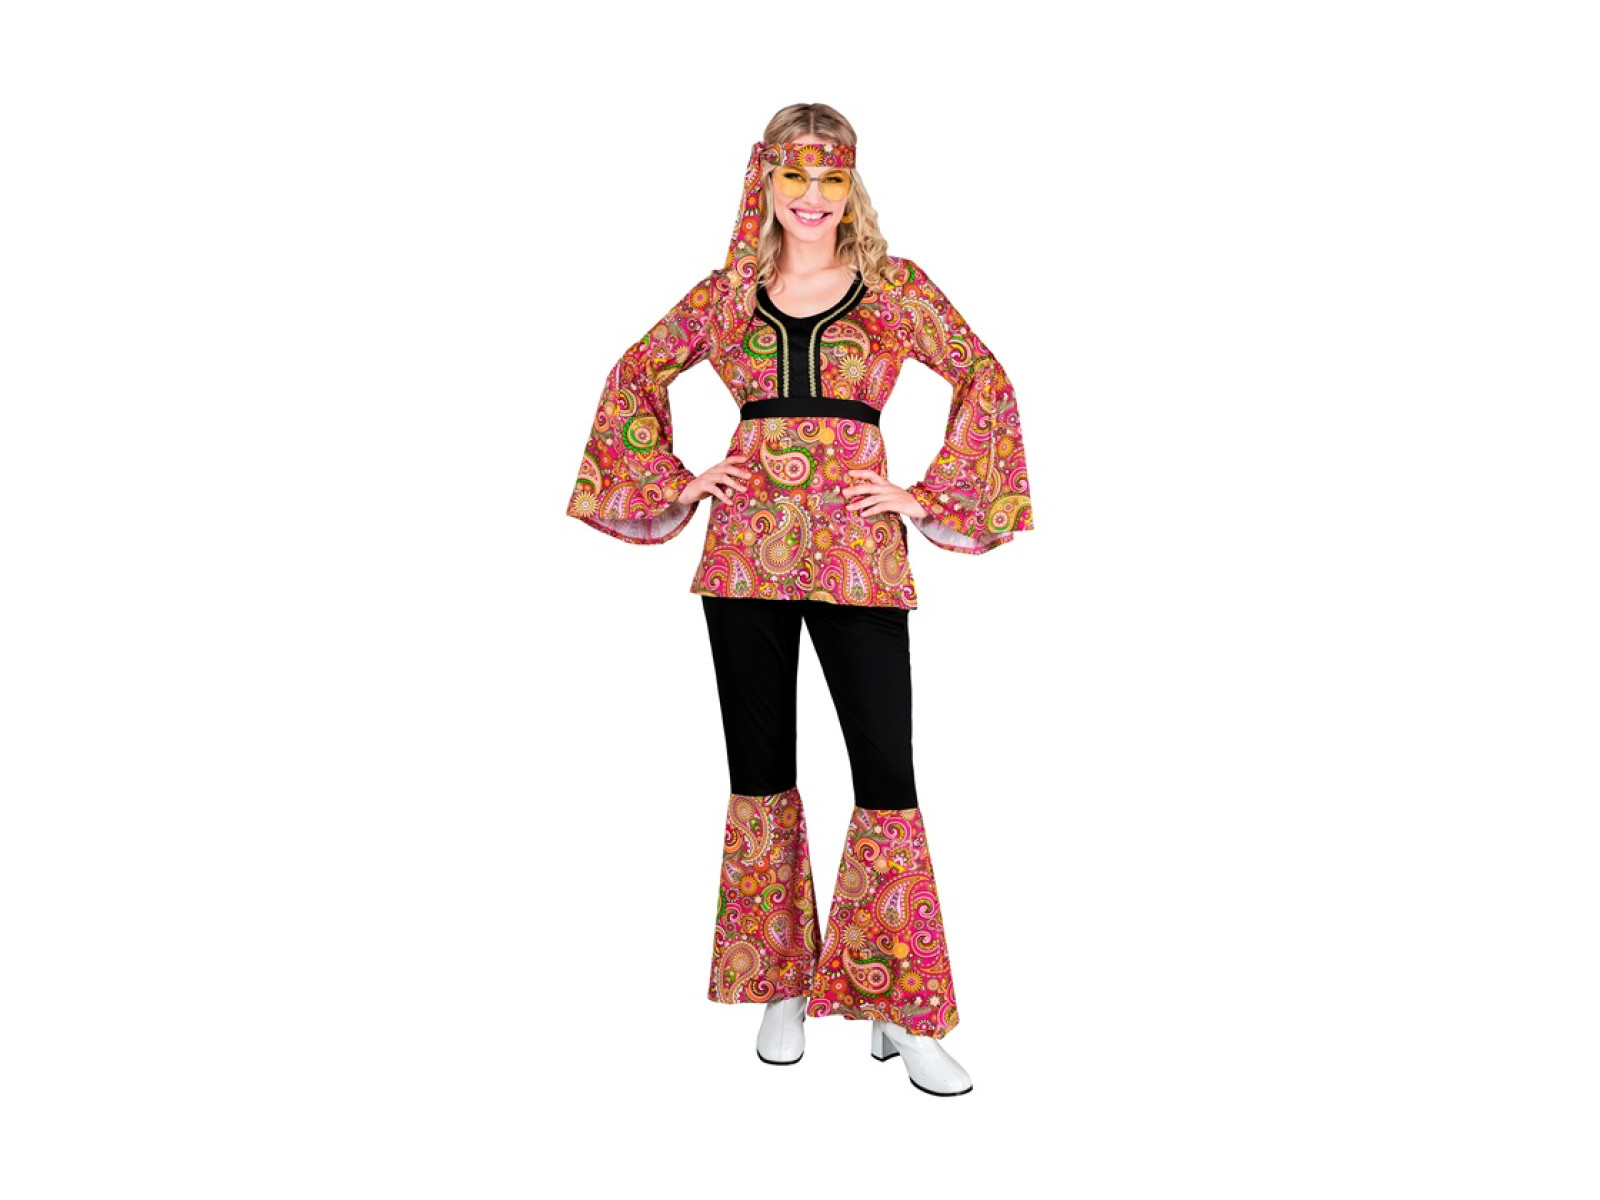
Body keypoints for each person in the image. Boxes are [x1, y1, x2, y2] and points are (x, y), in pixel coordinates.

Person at [564, 102, 1034, 1096]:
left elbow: (983, 376)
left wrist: (924, 496)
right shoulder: (728, 294)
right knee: (761, 768)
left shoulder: (893, 288)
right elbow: (635, 372)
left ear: (849, 184)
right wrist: (682, 480)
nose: (812, 198)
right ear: (765, 182)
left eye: (829, 179)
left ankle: (900, 1006)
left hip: (859, 551)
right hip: (744, 554)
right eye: (794, 177)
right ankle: (781, 981)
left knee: (886, 772)